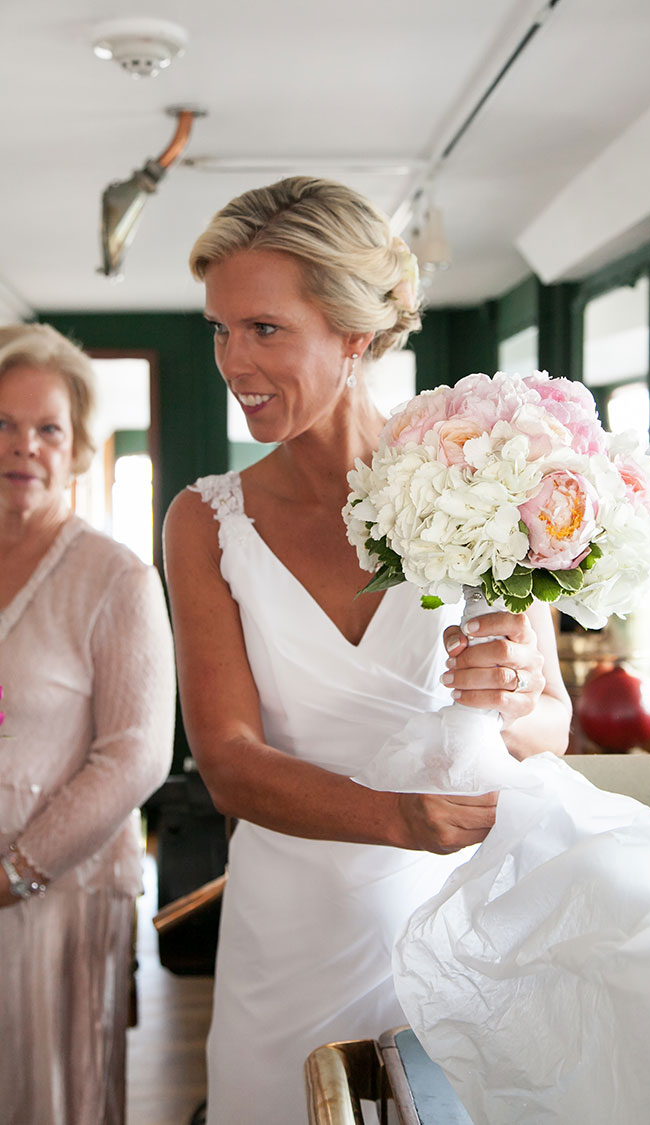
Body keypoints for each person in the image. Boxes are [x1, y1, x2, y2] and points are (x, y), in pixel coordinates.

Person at [163, 175, 572, 1123]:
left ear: (354, 333)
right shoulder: (204, 521)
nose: (233, 360)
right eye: (220, 329)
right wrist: (399, 819)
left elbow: (551, 726)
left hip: (468, 922)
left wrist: (513, 694)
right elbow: (228, 763)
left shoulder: (483, 479)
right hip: (289, 936)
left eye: (265, 329)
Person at [0, 324, 176, 1125]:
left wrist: (17, 870)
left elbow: (136, 756)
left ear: (74, 449)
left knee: (51, 1100)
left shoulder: (117, 577)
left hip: (56, 892)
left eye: (46, 428)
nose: (22, 446)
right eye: (2, 424)